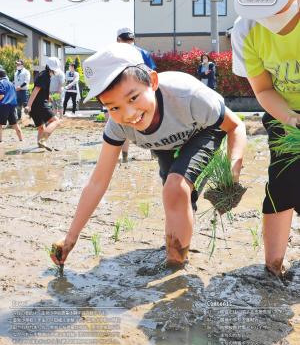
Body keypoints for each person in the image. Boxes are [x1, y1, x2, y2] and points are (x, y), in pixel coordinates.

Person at [50, 42, 246, 269]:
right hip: (164, 144)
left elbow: (236, 126)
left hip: (203, 130)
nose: (129, 114)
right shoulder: (117, 126)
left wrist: (232, 174)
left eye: (133, 98)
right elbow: (97, 182)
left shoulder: (191, 96)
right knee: (176, 196)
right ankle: (181, 245)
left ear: (152, 81)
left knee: (175, 187)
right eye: (113, 107)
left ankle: (175, 267)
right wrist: (70, 237)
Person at [229, 0, 300, 277]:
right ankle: (274, 264)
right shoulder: (247, 31)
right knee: (283, 179)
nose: (269, 16)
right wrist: (290, 117)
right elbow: (263, 88)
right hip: (283, 113)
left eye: (277, 4)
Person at [117, 27, 157, 162]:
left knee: (125, 125)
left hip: (125, 96)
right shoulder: (143, 53)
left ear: (118, 40)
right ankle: (154, 155)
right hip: (144, 94)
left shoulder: (115, 55)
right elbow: (152, 73)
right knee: (150, 122)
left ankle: (125, 158)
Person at [25, 57, 61, 150]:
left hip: (36, 105)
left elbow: (42, 90)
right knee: (56, 121)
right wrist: (28, 105)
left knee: (41, 127)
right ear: (50, 68)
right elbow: (35, 90)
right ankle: (43, 140)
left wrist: (48, 98)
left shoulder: (45, 75)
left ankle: (40, 146)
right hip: (39, 104)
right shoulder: (44, 75)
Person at [0, 66, 23, 143]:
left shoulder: (1, 83)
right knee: (15, 124)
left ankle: (0, 140)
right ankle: (21, 139)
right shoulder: (11, 83)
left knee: (0, 124)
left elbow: (1, 95)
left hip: (3, 106)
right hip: (12, 106)